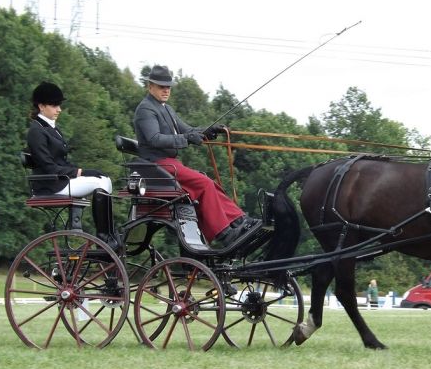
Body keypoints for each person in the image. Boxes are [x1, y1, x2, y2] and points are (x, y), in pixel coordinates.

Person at [133, 65, 260, 247]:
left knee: (210, 183)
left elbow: (188, 130)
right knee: (204, 183)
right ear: (150, 86)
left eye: (168, 87)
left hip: (170, 164)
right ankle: (224, 234)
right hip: (157, 165)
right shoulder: (146, 109)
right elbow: (155, 139)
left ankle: (240, 220)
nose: (166, 90)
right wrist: (186, 139)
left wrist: (207, 131)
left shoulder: (166, 109)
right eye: (162, 87)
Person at [26, 81, 118, 249]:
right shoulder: (36, 131)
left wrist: (81, 172)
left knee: (105, 179)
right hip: (51, 184)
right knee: (101, 183)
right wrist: (81, 172)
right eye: (54, 105)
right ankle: (105, 238)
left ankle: (109, 234)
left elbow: (62, 162)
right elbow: (49, 167)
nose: (59, 109)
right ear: (41, 106)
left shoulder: (52, 128)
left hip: (60, 180)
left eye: (59, 105)